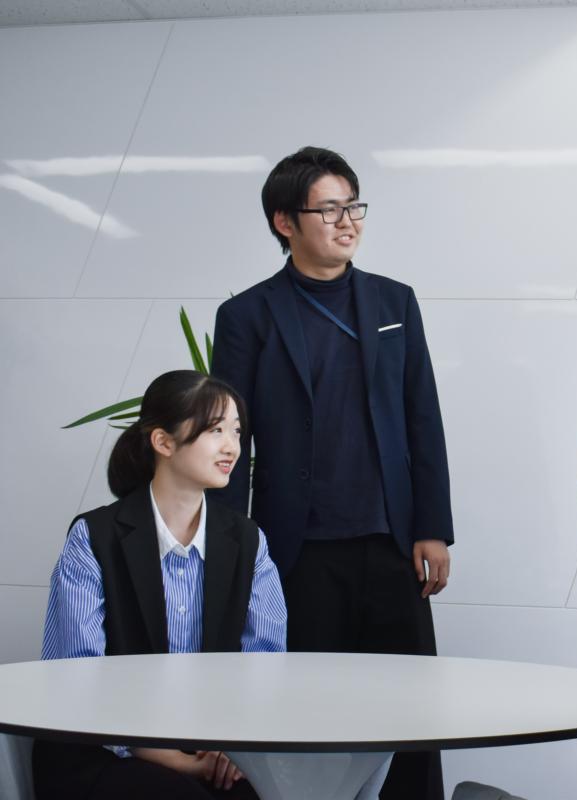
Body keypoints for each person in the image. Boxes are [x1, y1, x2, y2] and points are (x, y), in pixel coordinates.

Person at [210, 146, 452, 799]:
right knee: (308, 717)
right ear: (284, 221)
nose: (348, 222)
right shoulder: (248, 316)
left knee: (409, 715)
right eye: (330, 210)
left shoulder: (394, 300)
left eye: (354, 207)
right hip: (298, 551)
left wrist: (432, 527)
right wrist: (233, 554)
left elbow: (422, 418)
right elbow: (230, 442)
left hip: (392, 544)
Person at [34, 370, 288, 799]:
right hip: (103, 750)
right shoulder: (93, 537)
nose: (232, 447)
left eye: (236, 431)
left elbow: (264, 668)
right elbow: (74, 680)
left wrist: (234, 746)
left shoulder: (249, 541)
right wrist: (171, 758)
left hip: (214, 750)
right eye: (215, 430)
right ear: (163, 442)